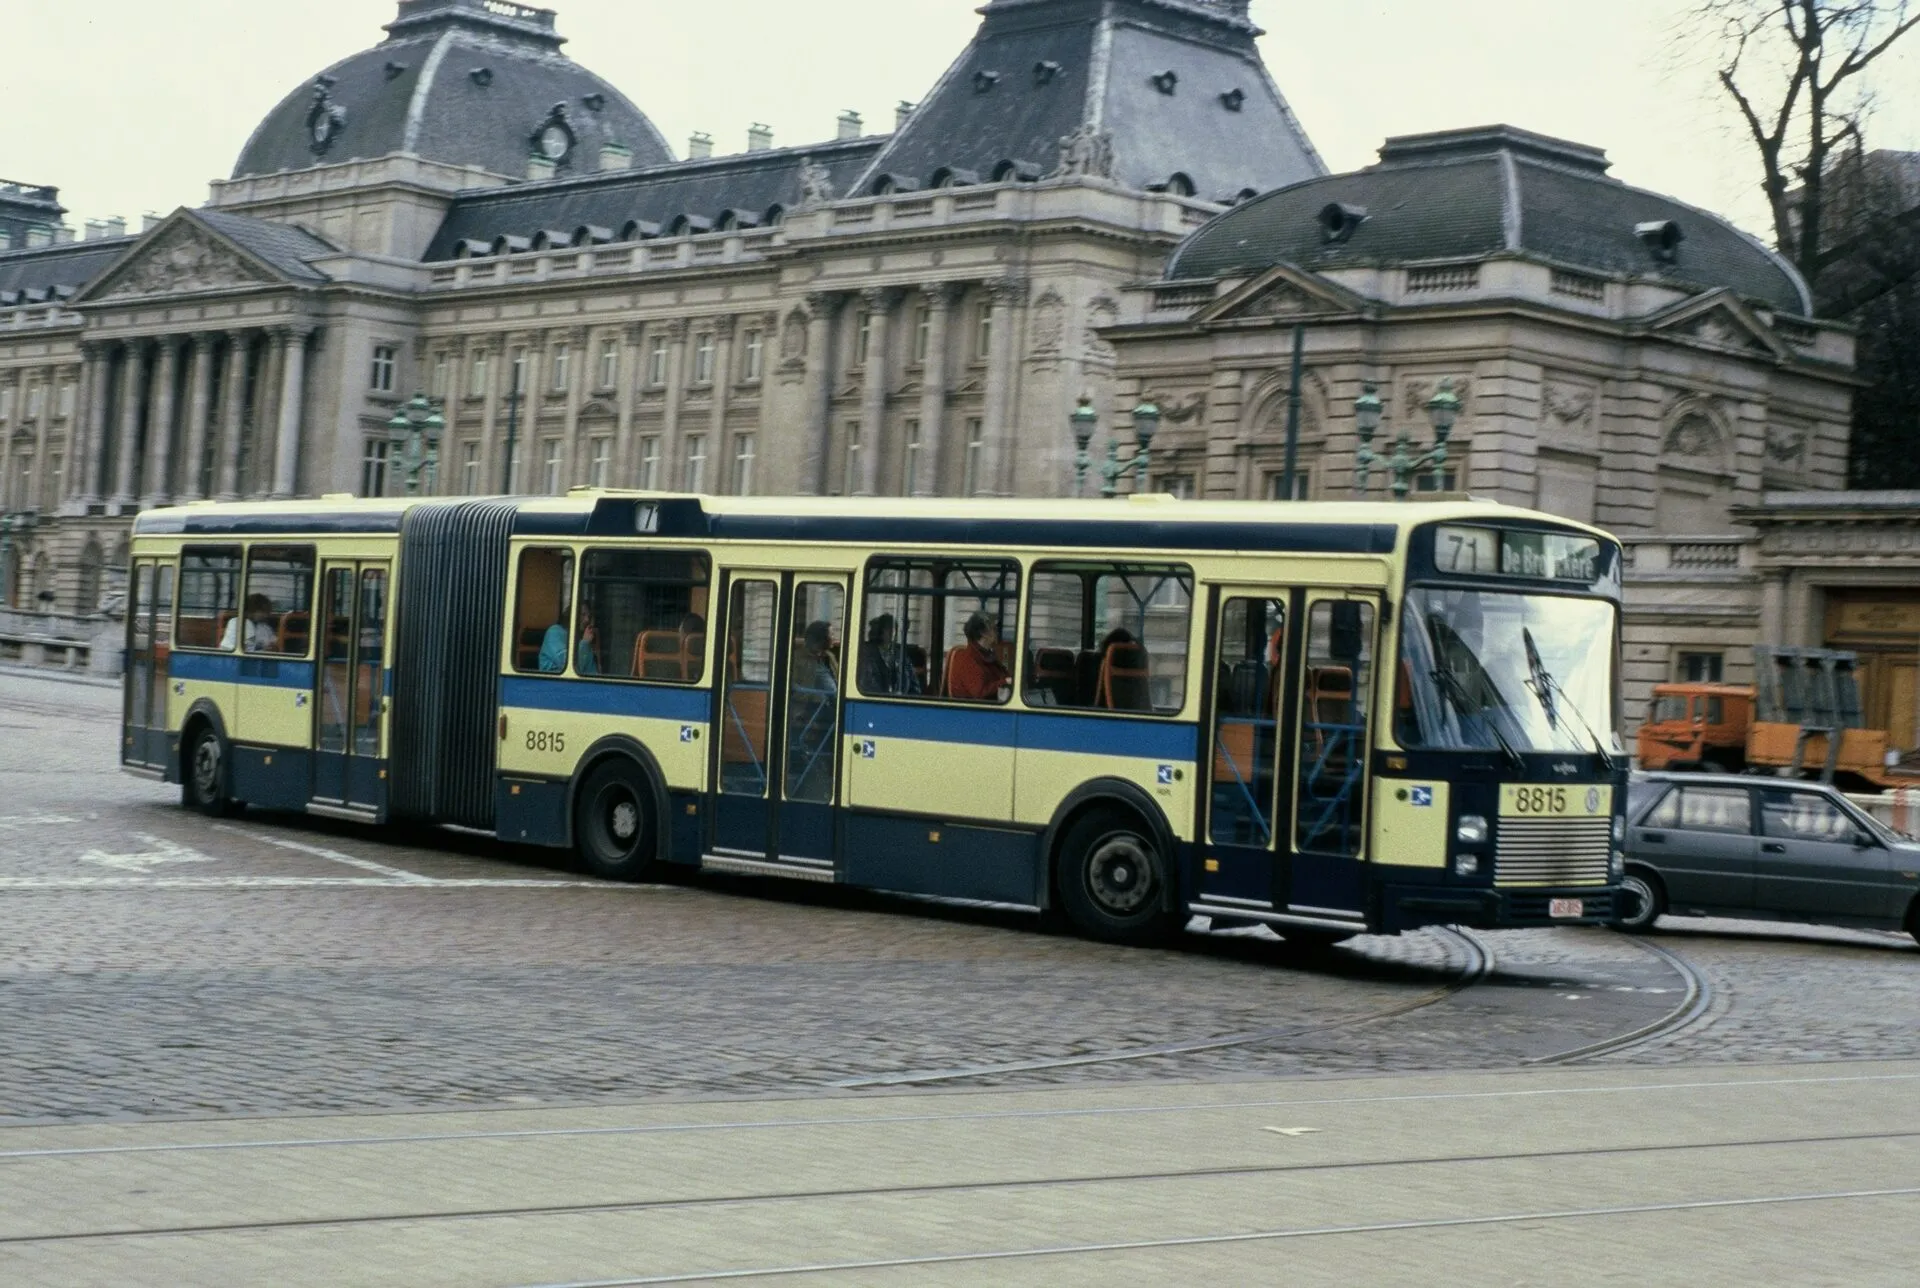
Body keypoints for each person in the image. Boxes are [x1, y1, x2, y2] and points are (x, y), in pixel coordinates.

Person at [946, 611, 1010, 701]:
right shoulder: (967, 659)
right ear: (983, 633)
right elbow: (980, 693)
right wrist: (1005, 682)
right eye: (994, 629)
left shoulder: (987, 655)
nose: (997, 632)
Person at [539, 603, 599, 675]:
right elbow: (566, 664)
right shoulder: (554, 632)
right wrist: (585, 643)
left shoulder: (581, 638)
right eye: (583, 615)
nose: (587, 619)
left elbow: (592, 672)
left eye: (589, 616)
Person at [858, 613, 903, 694]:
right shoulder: (867, 654)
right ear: (880, 631)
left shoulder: (901, 655)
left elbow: (913, 686)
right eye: (887, 629)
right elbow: (867, 684)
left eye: (893, 629)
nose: (891, 632)